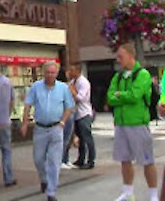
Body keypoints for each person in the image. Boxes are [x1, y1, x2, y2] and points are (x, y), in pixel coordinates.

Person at [107, 43, 158, 201]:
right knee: (125, 159)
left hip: (138, 124)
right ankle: (127, 193)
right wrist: (121, 96)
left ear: (130, 56)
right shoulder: (118, 76)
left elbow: (135, 96)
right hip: (121, 124)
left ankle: (153, 195)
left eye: (121, 56)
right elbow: (109, 97)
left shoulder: (143, 74)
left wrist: (118, 95)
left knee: (147, 160)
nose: (118, 60)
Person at [21, 61, 75, 201]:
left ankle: (51, 191)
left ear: (57, 73)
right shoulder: (36, 87)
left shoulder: (63, 88)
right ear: (43, 73)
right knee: (38, 159)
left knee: (54, 161)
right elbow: (27, 105)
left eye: (53, 72)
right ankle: (44, 179)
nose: (50, 75)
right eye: (48, 72)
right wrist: (25, 123)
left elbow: (69, 107)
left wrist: (63, 121)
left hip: (56, 128)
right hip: (40, 128)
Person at [68, 63, 96, 170]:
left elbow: (79, 97)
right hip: (76, 114)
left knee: (87, 137)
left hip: (84, 113)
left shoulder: (84, 83)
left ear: (78, 71)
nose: (70, 72)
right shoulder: (72, 82)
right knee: (80, 138)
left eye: (72, 70)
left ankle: (91, 160)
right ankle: (81, 159)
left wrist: (72, 91)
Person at [61, 70, 76, 170]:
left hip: (69, 113)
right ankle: (62, 160)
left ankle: (66, 159)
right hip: (67, 113)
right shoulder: (66, 86)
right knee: (65, 138)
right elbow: (75, 95)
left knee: (67, 138)